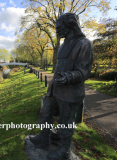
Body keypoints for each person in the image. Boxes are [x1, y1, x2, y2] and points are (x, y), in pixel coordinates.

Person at [29, 13, 93, 160]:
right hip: (55, 88)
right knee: (45, 113)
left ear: (71, 25)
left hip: (70, 92)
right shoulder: (63, 45)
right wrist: (52, 86)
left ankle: (64, 150)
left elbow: (84, 71)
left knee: (66, 122)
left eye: (59, 27)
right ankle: (43, 138)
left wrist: (69, 77)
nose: (57, 31)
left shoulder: (84, 44)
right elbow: (59, 68)